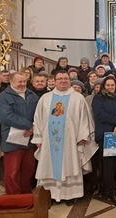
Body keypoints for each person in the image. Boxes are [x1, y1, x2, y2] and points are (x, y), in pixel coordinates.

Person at [32, 70, 98, 205]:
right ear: (54, 81)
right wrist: (38, 138)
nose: (63, 81)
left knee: (70, 164)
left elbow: (85, 119)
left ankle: (70, 195)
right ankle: (50, 195)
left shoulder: (78, 98)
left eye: (66, 79)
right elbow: (38, 119)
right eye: (60, 79)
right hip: (49, 141)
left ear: (70, 80)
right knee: (49, 166)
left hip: (71, 141)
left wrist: (83, 136)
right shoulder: (45, 98)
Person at [0, 72, 39, 194]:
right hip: (12, 140)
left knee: (28, 170)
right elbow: (6, 116)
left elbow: (40, 113)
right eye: (19, 82)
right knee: (12, 172)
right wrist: (29, 125)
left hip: (29, 140)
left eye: (24, 81)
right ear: (11, 82)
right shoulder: (4, 97)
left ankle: (26, 196)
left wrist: (35, 127)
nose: (22, 84)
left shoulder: (32, 95)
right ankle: (13, 199)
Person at [92, 76, 116, 208]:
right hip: (105, 135)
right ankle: (111, 191)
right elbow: (100, 115)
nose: (110, 87)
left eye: (112, 85)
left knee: (114, 163)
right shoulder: (98, 98)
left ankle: (106, 188)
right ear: (103, 86)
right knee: (107, 164)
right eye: (107, 85)